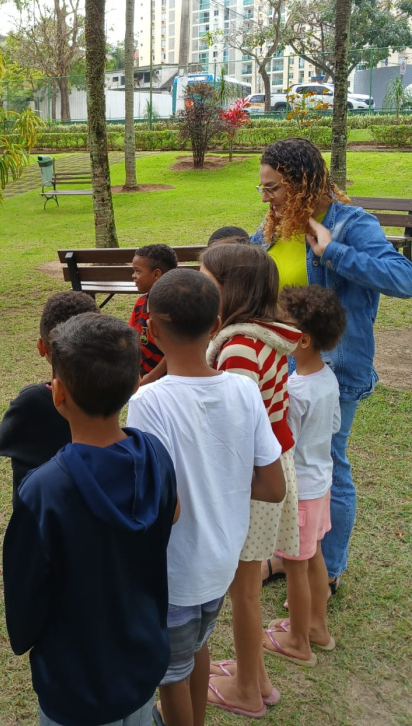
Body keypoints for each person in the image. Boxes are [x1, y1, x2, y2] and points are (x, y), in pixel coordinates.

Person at [3, 313, 179, 726]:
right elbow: (172, 515)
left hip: (75, 684)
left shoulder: (43, 490)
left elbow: (25, 601)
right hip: (141, 664)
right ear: (135, 384)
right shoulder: (155, 454)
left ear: (58, 393)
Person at [253, 138, 412, 593]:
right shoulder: (275, 224)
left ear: (302, 183)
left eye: (273, 188)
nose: (265, 198)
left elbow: (403, 278)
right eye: (263, 188)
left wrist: (332, 252)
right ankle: (289, 556)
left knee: (328, 466)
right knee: (285, 460)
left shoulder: (352, 224)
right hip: (278, 364)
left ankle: (330, 569)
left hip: (333, 369)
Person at [127, 269, 285, 726]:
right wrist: (222, 481)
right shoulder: (244, 390)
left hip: (174, 572)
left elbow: (155, 500)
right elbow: (273, 487)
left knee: (170, 677)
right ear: (216, 325)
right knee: (197, 649)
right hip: (221, 564)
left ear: (152, 329)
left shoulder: (148, 402)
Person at [199, 241, 301, 718]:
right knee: (245, 589)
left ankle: (245, 689)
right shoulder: (264, 334)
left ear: (231, 290)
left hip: (255, 478)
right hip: (271, 467)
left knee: (243, 591)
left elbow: (235, 424)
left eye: (206, 282)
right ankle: (255, 677)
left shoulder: (239, 347)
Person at [262, 285, 346, 667]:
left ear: (304, 339)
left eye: (285, 325)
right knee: (314, 559)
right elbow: (334, 425)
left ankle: (298, 642)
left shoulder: (294, 391)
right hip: (321, 485)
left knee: (295, 567)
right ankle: (317, 630)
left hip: (300, 492)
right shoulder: (328, 379)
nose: (278, 330)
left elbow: (284, 444)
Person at [0, 289, 99, 499]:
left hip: (36, 509)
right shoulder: (108, 392)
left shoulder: (29, 401)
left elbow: (2, 444)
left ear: (41, 347)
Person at [129, 244, 178, 387]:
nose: (133, 276)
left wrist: (152, 377)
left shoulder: (175, 308)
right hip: (142, 375)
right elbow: (131, 337)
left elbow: (176, 350)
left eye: (138, 271)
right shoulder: (141, 303)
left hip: (168, 380)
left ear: (156, 274)